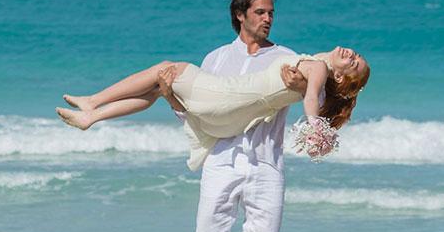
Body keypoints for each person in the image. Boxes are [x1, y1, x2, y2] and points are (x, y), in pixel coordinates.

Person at [62, 0, 341, 232]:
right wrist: (169, 96)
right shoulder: (216, 58)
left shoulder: (286, 56)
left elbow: (316, 98)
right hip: (221, 159)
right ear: (240, 15)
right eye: (260, 12)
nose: (268, 19)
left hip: (266, 162)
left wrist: (312, 110)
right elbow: (198, 114)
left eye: (271, 12)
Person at [56, 45, 369, 169]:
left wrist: (315, 126)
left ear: (340, 77)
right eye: (356, 55)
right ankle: (92, 117)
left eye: (354, 63)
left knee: (164, 68)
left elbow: (312, 99)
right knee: (157, 88)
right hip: (228, 113)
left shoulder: (318, 70)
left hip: (224, 96)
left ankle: (93, 102)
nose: (352, 53)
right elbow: (313, 95)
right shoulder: (315, 66)